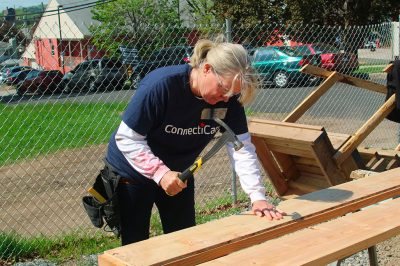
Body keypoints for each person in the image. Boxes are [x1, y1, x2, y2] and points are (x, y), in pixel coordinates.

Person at [105, 39, 286, 245]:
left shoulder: (228, 99)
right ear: (207, 69)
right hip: (133, 171)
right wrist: (160, 173)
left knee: (185, 240)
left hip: (179, 175)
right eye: (223, 88)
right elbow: (127, 138)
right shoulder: (162, 85)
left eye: (232, 94)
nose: (226, 98)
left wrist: (257, 196)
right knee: (136, 245)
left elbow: (241, 148)